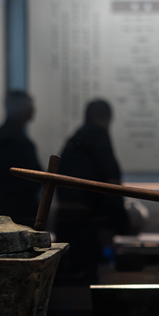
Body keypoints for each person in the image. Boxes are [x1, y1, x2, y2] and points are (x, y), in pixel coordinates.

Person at [54, 99, 129, 282]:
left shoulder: (75, 140)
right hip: (89, 224)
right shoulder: (98, 136)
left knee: (70, 282)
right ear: (107, 117)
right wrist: (118, 222)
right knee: (90, 282)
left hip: (66, 221)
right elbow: (111, 181)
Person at [0, 91, 42, 227]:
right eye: (30, 107)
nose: (34, 110)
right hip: (17, 215)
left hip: (2, 214)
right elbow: (30, 181)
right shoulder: (16, 140)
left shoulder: (0, 136)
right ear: (23, 110)